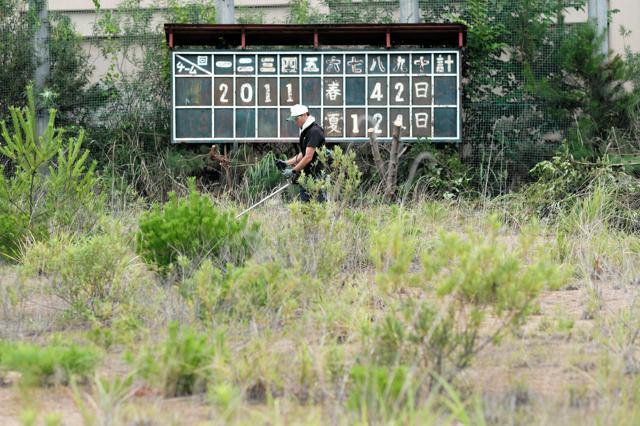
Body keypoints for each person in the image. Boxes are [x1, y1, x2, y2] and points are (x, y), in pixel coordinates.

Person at [279, 104, 326, 202]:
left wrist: (293, 171)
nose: (295, 122)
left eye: (296, 119)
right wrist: (287, 163)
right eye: (294, 120)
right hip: (306, 177)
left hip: (316, 177)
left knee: (318, 206)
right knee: (305, 207)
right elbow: (304, 153)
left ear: (305, 115)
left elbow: (308, 157)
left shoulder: (314, 131)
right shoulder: (306, 131)